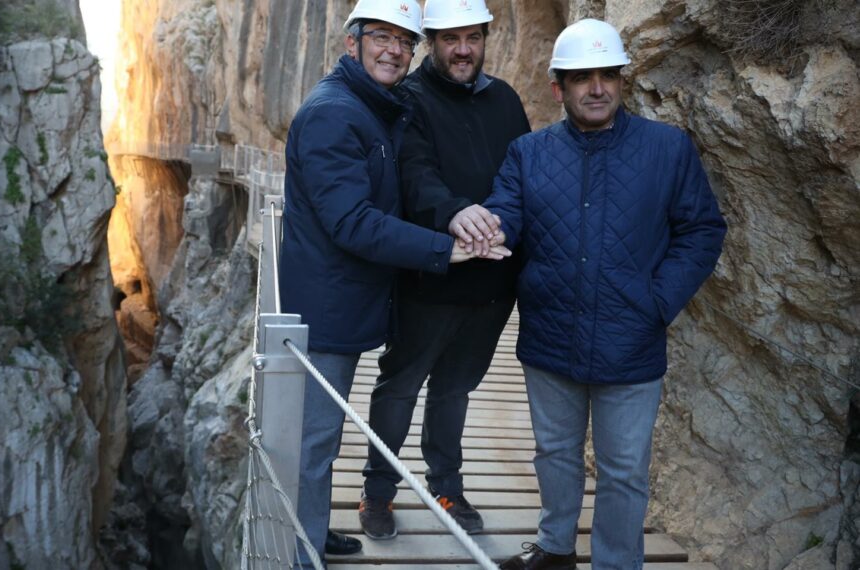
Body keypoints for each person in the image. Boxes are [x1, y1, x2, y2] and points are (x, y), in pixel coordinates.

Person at [471, 19, 727, 570]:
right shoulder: (527, 153)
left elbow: (703, 230)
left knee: (624, 470)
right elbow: (506, 212)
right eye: (581, 76)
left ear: (620, 81)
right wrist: (488, 228)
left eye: (607, 74)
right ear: (557, 86)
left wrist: (657, 302)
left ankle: (616, 564)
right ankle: (556, 548)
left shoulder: (667, 149)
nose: (596, 87)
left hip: (631, 341)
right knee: (555, 455)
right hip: (550, 336)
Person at [278, 0, 510, 566]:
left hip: (346, 298)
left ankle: (311, 530)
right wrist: (446, 247)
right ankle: (302, 552)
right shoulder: (338, 113)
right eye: (381, 36)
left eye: (403, 42)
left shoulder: (368, 106)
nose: (393, 50)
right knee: (315, 440)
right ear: (350, 41)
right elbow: (352, 219)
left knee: (323, 436)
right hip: (327, 306)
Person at [357, 0, 531, 540]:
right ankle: (377, 492)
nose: (462, 49)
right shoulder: (407, 99)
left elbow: (522, 172)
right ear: (431, 41)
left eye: (472, 38)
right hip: (431, 275)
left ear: (484, 39)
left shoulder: (504, 99)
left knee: (456, 388)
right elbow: (414, 174)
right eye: (450, 38)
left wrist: (507, 224)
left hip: (493, 279)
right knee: (400, 385)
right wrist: (456, 210)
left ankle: (447, 486)